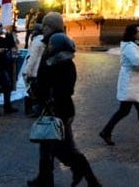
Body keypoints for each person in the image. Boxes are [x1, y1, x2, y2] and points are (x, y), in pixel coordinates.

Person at [28, 13, 101, 187]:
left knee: (62, 149)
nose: (43, 28)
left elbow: (61, 84)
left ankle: (88, 178)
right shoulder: (53, 47)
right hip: (55, 107)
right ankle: (45, 179)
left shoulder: (58, 50)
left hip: (58, 109)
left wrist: (46, 93)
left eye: (46, 25)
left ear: (51, 27)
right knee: (47, 146)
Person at [98, 23, 139, 145]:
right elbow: (137, 63)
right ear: (133, 34)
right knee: (124, 111)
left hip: (135, 84)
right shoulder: (130, 47)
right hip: (131, 84)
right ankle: (106, 131)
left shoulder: (134, 46)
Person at [22, 23, 46, 116]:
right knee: (39, 91)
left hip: (35, 70)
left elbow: (32, 58)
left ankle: (32, 110)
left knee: (32, 90)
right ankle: (40, 109)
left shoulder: (36, 41)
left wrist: (27, 71)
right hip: (42, 69)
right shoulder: (45, 40)